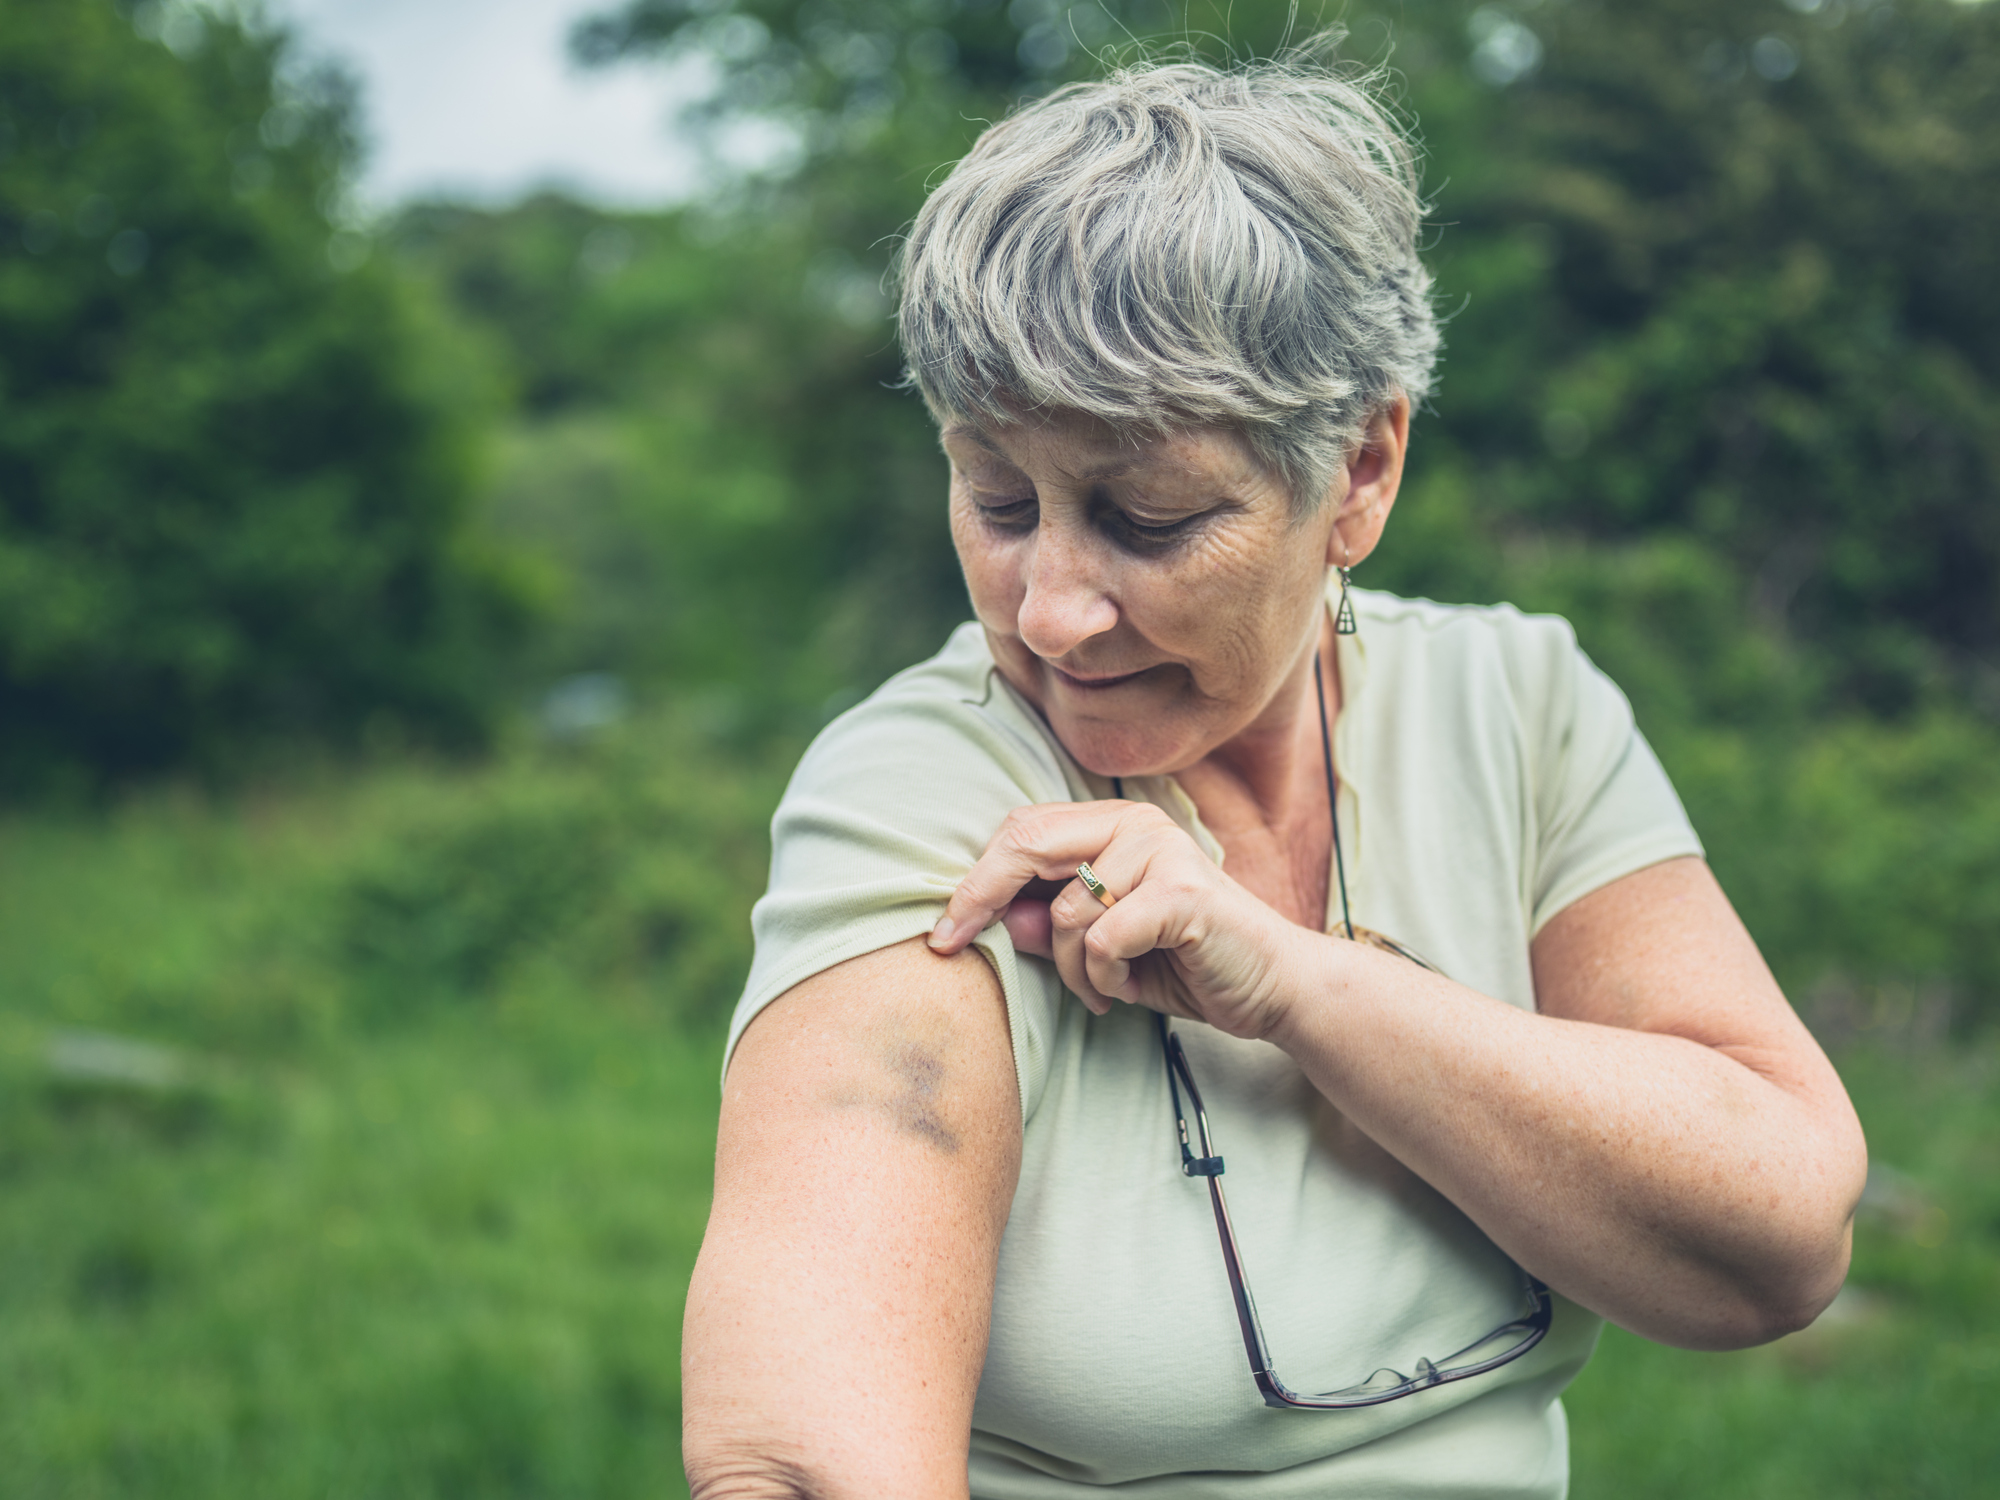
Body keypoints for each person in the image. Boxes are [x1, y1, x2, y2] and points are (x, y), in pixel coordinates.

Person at [680, 48, 1867, 1500]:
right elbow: (800, 1459)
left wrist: (1300, 986)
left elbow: (1779, 1244)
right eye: (997, 497)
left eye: (1149, 516)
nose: (1049, 606)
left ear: (1361, 470)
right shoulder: (922, 796)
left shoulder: (1515, 701)